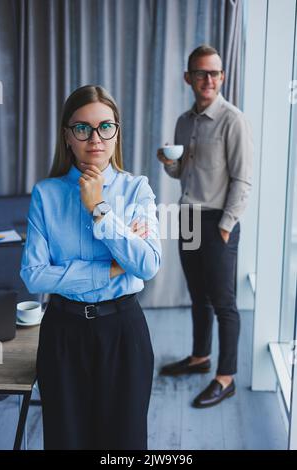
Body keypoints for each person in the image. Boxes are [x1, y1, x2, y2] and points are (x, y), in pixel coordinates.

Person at [20, 85, 161, 449]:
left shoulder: (137, 190)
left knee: (125, 444)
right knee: (66, 441)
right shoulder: (46, 194)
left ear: (117, 132)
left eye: (105, 127)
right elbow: (33, 274)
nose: (94, 138)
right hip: (62, 335)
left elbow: (146, 264)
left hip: (122, 333)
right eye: (82, 128)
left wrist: (99, 207)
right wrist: (110, 269)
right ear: (67, 136)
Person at [157, 45, 252, 408]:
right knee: (198, 296)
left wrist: (226, 227)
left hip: (216, 223)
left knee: (224, 303)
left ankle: (225, 378)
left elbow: (243, 180)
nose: (208, 79)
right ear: (188, 78)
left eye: (214, 73)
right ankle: (200, 358)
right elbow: (180, 172)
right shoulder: (184, 121)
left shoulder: (233, 119)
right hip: (188, 217)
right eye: (201, 73)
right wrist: (167, 161)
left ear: (222, 77)